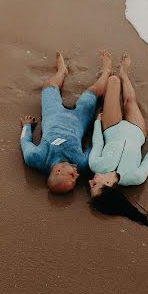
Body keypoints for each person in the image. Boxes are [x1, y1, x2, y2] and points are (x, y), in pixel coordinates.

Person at [88, 54, 148, 239]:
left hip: (111, 127)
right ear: (107, 184)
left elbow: (98, 143)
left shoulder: (95, 165)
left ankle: (115, 74)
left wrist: (97, 123)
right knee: (130, 102)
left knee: (113, 82)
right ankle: (125, 73)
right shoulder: (136, 177)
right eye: (94, 185)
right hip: (137, 133)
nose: (90, 181)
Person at [20, 50, 110, 194]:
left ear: (58, 170)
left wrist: (27, 127)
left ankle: (62, 71)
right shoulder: (81, 163)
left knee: (48, 85)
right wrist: (98, 126)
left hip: (53, 114)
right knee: (93, 92)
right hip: (79, 119)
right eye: (75, 178)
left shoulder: (36, 158)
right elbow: (96, 145)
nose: (78, 175)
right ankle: (106, 71)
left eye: (72, 176)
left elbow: (25, 143)